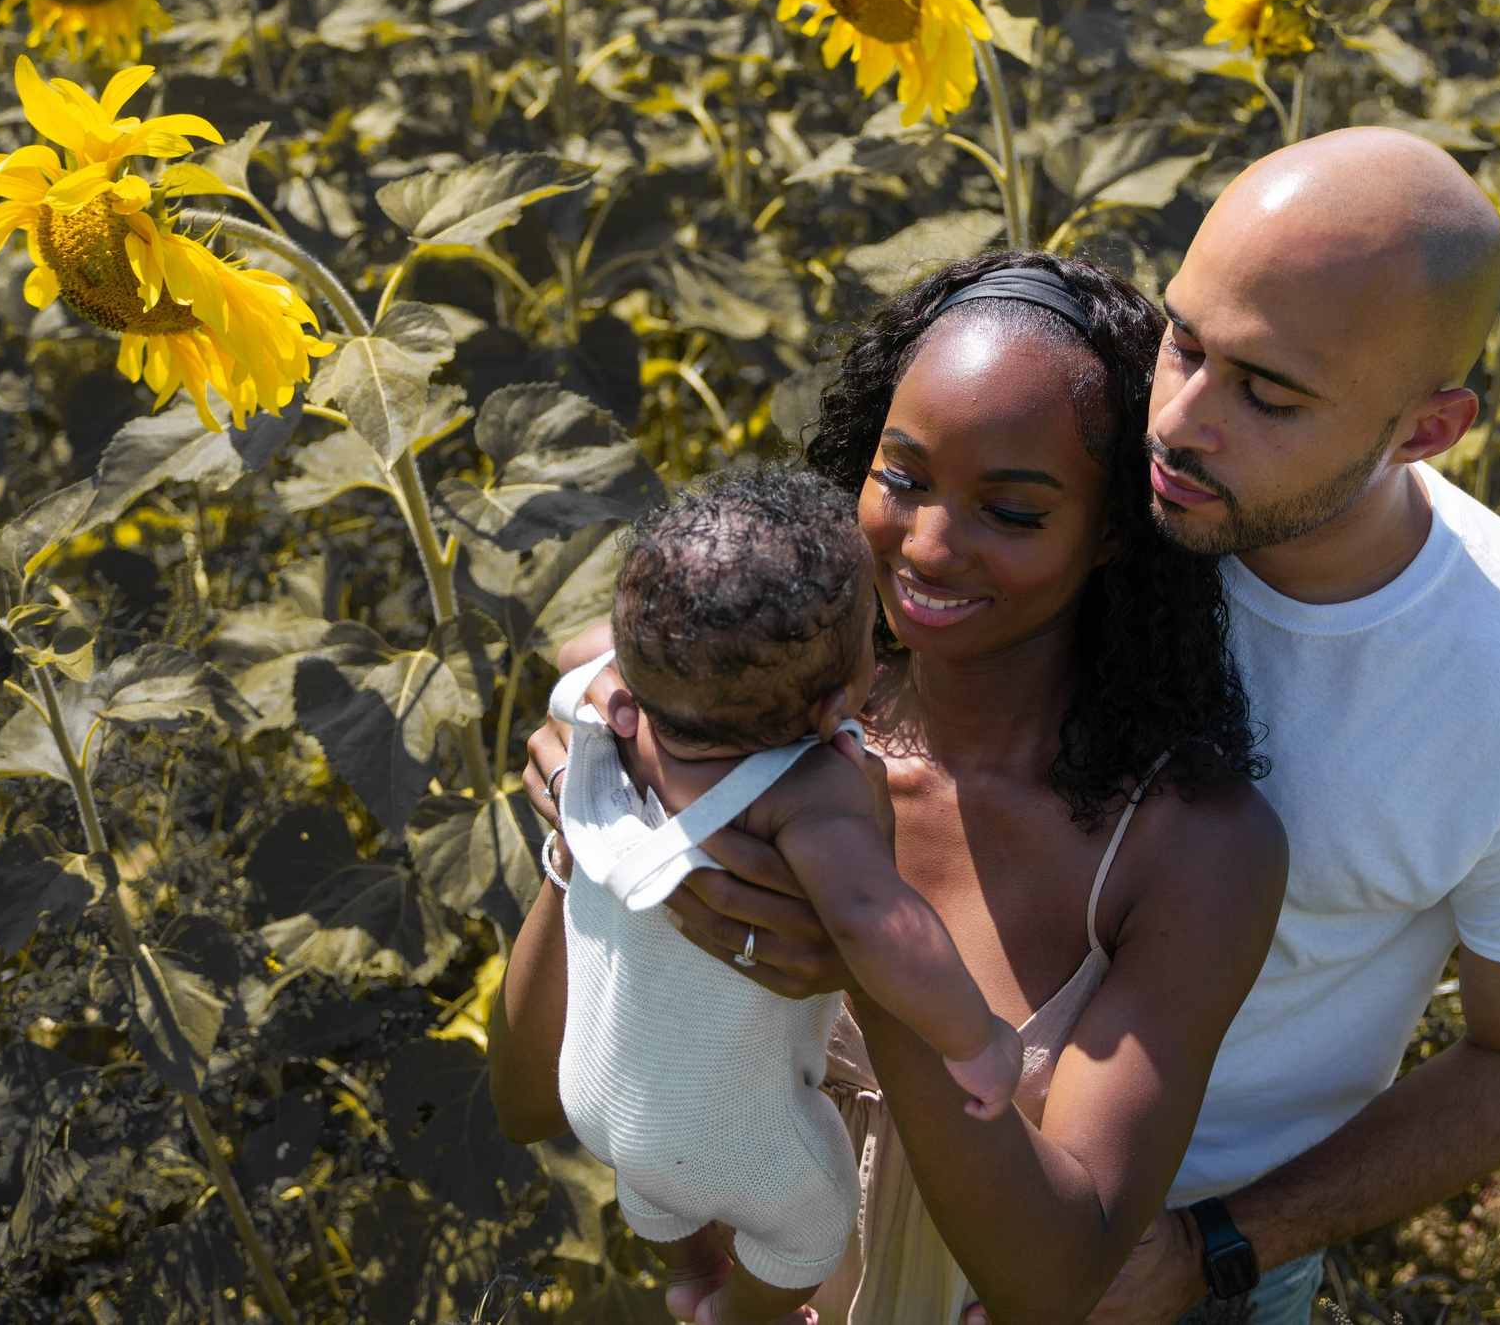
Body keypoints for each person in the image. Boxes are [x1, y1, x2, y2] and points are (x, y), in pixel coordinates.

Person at [616, 129, 1500, 1325]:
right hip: (835, 1162)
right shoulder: (1098, 482)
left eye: (1267, 390)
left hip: (1151, 1268)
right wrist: (608, 727)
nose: (1179, 418)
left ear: (1427, 427)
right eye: (1187, 342)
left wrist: (1221, 1244)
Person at [494, 253, 1290, 1325]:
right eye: (902, 478)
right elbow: (529, 1096)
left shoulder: (1187, 846)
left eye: (1011, 511)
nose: (926, 546)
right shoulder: (740, 736)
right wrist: (588, 833)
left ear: (1110, 530)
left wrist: (871, 967)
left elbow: (1053, 1281)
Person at [531, 468, 1026, 1325]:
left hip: (593, 1087)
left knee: (650, 1183)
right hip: (725, 1131)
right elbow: (883, 923)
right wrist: (976, 1038)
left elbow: (577, 651)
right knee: (811, 1229)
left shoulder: (609, 703)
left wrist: (624, 670)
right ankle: (739, 1314)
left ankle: (687, 1274)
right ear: (837, 702)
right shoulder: (803, 790)